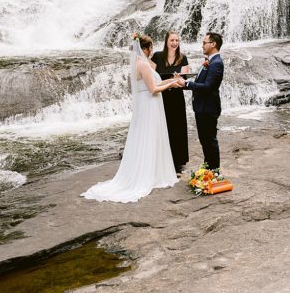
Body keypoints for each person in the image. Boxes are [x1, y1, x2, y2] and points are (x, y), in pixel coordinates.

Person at [82, 34, 184, 203]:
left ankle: (152, 172)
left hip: (147, 104)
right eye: (151, 48)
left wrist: (169, 80)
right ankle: (148, 176)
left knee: (146, 137)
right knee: (150, 137)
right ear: (147, 48)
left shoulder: (137, 63)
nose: (152, 51)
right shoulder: (143, 64)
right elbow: (153, 89)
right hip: (150, 104)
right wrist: (172, 85)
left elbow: (153, 84)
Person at [184, 32, 224, 172]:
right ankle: (208, 168)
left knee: (210, 141)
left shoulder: (217, 63)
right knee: (205, 141)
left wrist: (187, 84)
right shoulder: (210, 61)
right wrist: (184, 83)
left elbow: (208, 87)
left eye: (204, 43)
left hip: (208, 108)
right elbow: (200, 82)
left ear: (213, 44)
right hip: (201, 108)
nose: (202, 45)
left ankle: (214, 171)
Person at [151, 31, 190, 173]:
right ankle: (161, 159)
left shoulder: (183, 58)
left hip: (177, 97)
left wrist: (179, 79)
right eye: (172, 40)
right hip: (161, 96)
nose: (174, 43)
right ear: (166, 41)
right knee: (163, 126)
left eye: (177, 41)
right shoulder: (157, 56)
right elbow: (150, 76)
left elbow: (185, 81)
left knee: (178, 128)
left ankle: (178, 161)